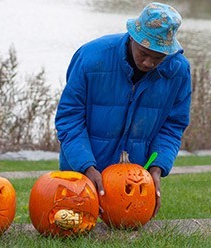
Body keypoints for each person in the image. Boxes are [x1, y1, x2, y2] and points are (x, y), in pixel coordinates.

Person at [55, 2, 191, 218]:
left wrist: (157, 167)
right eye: (144, 53)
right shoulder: (91, 57)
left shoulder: (179, 71)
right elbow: (69, 118)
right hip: (80, 174)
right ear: (132, 37)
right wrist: (86, 166)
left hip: (133, 182)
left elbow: (172, 126)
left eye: (158, 58)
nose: (148, 63)